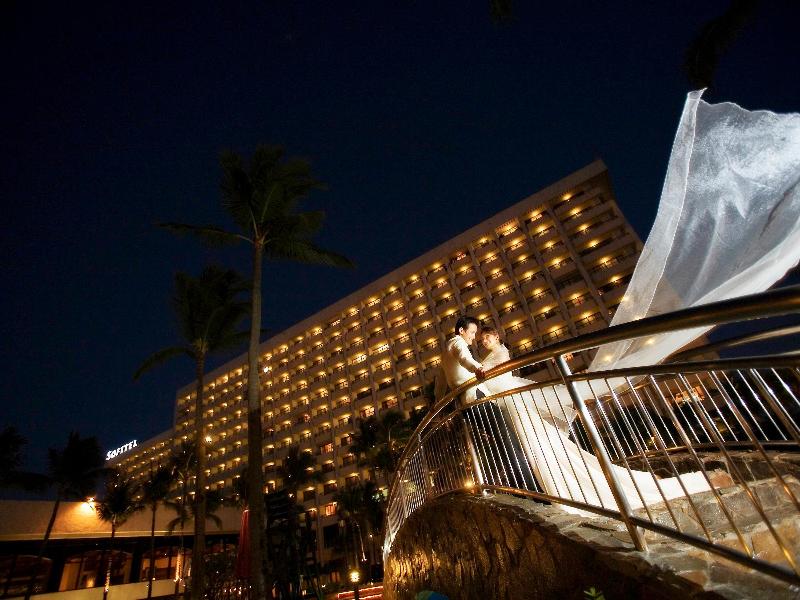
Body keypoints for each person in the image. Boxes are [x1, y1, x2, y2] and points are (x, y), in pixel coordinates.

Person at [477, 325, 717, 514]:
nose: (484, 341)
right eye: (482, 339)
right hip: (512, 406)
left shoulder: (501, 353)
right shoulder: (492, 356)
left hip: (515, 405)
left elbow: (493, 378)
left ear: (497, 336)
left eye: (487, 337)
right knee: (540, 447)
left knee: (538, 446)